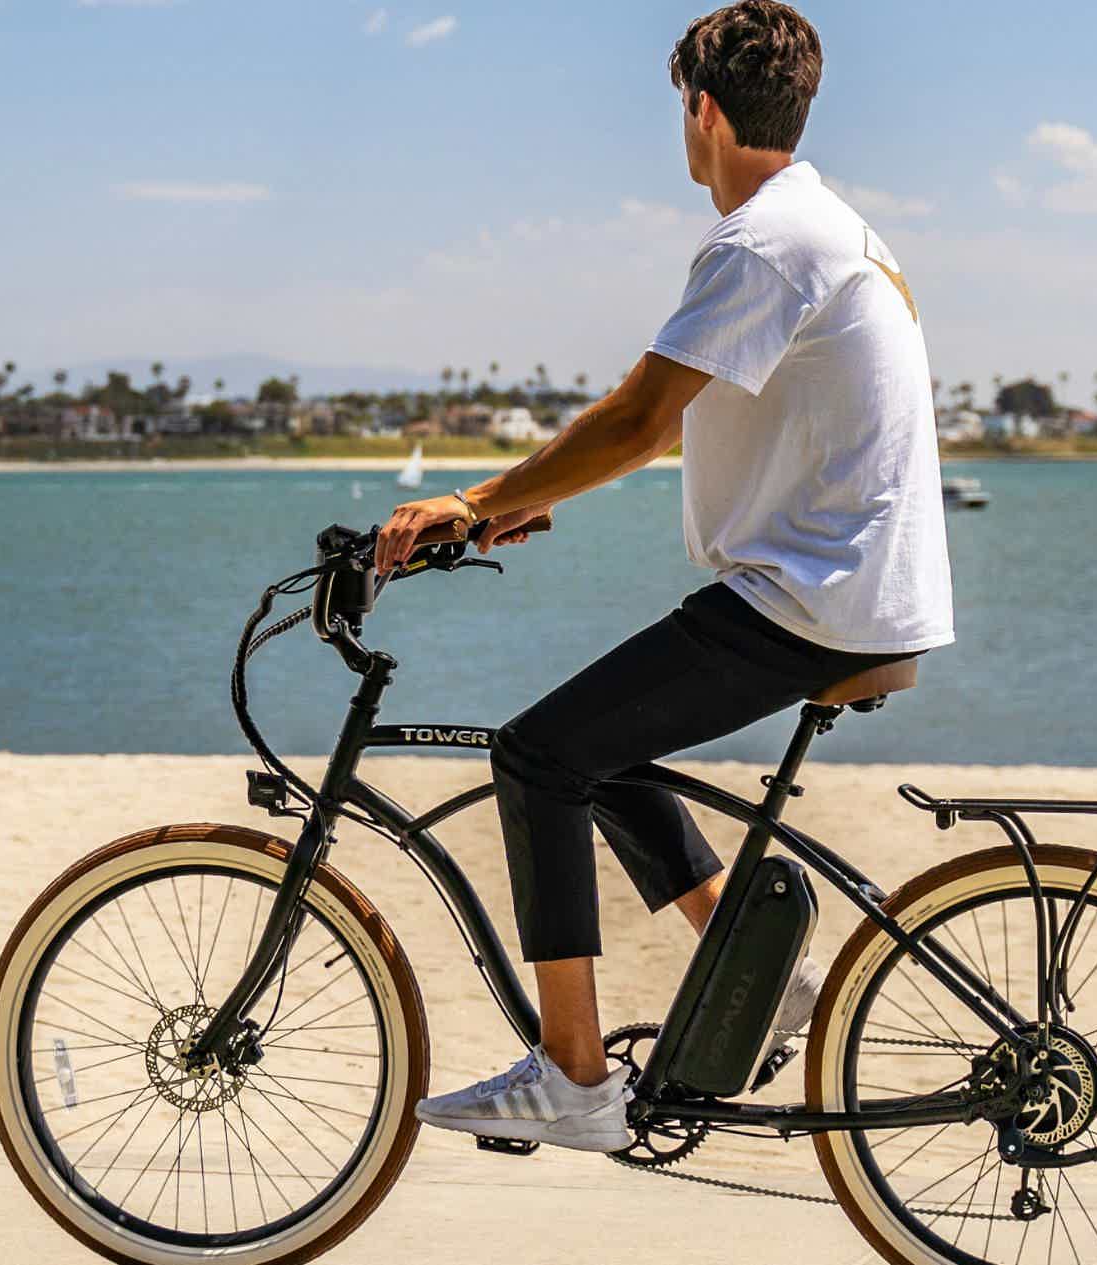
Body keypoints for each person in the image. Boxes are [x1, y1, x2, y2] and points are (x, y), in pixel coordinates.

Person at [373, 0, 954, 1152]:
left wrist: (473, 500)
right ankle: (760, 970)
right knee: (605, 747)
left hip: (810, 598)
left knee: (537, 754)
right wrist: (528, 498)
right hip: (846, 586)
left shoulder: (764, 240)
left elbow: (642, 417)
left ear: (701, 109)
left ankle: (574, 1076)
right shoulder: (832, 228)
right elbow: (709, 424)